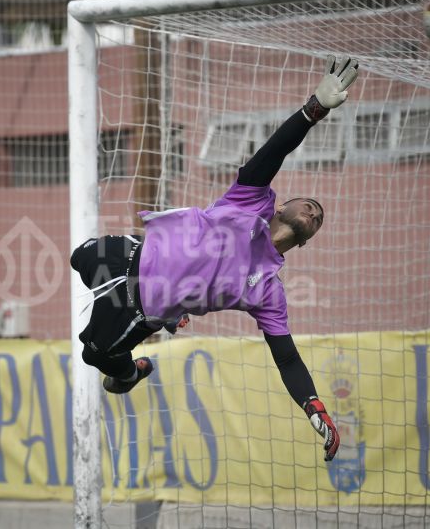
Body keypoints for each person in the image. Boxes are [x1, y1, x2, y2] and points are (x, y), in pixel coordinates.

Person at [70, 55, 359, 462]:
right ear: (282, 207)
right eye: (310, 205)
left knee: (95, 355)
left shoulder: (269, 293)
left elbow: (288, 358)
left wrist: (314, 405)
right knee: (78, 257)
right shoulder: (250, 200)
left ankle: (130, 373)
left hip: (135, 307)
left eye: (319, 218)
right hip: (133, 252)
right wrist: (313, 110)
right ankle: (170, 317)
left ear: (308, 240)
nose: (314, 212)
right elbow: (273, 152)